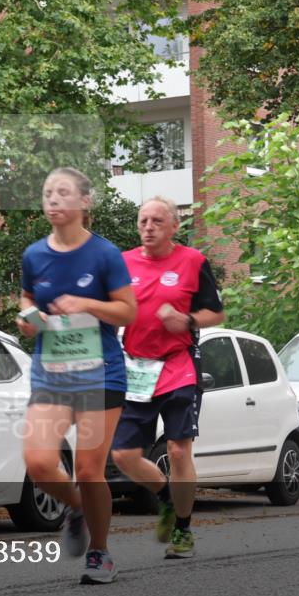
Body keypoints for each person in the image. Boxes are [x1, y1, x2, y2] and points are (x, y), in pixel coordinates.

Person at [17, 167, 136, 584]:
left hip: (99, 372)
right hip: (51, 371)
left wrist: (87, 304)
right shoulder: (34, 255)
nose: (52, 199)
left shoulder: (104, 254)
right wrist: (28, 318)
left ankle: (100, 553)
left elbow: (127, 311)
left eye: (63, 192)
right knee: (38, 461)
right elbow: (30, 297)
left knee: (89, 470)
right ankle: (77, 507)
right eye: (47, 192)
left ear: (84, 202)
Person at [111, 196, 225, 559]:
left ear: (175, 226)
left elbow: (216, 313)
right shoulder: (122, 262)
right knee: (124, 456)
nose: (148, 227)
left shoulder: (193, 262)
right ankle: (164, 498)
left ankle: (183, 529)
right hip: (137, 368)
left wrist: (188, 320)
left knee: (177, 449)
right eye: (143, 220)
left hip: (178, 365)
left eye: (157, 221)